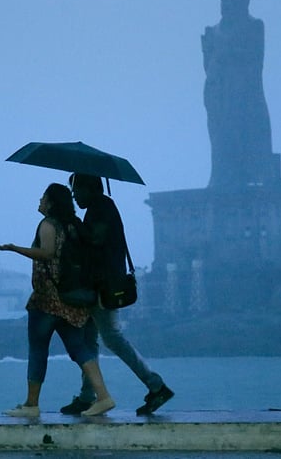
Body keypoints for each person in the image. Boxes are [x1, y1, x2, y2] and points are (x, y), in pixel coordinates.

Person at [0, 183, 115, 417]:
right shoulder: (73, 225)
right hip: (71, 300)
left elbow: (47, 253)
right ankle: (104, 397)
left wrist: (13, 248)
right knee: (79, 348)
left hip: (47, 299)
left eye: (43, 197)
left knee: (38, 349)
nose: (39, 201)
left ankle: (31, 404)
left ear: (51, 202)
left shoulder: (48, 224)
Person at [61, 173, 174, 416]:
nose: (73, 195)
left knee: (111, 338)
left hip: (104, 287)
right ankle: (87, 396)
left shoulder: (102, 207)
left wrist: (73, 220)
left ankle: (156, 386)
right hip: (98, 286)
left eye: (76, 190)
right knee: (90, 340)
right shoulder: (98, 208)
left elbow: (95, 239)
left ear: (89, 188)